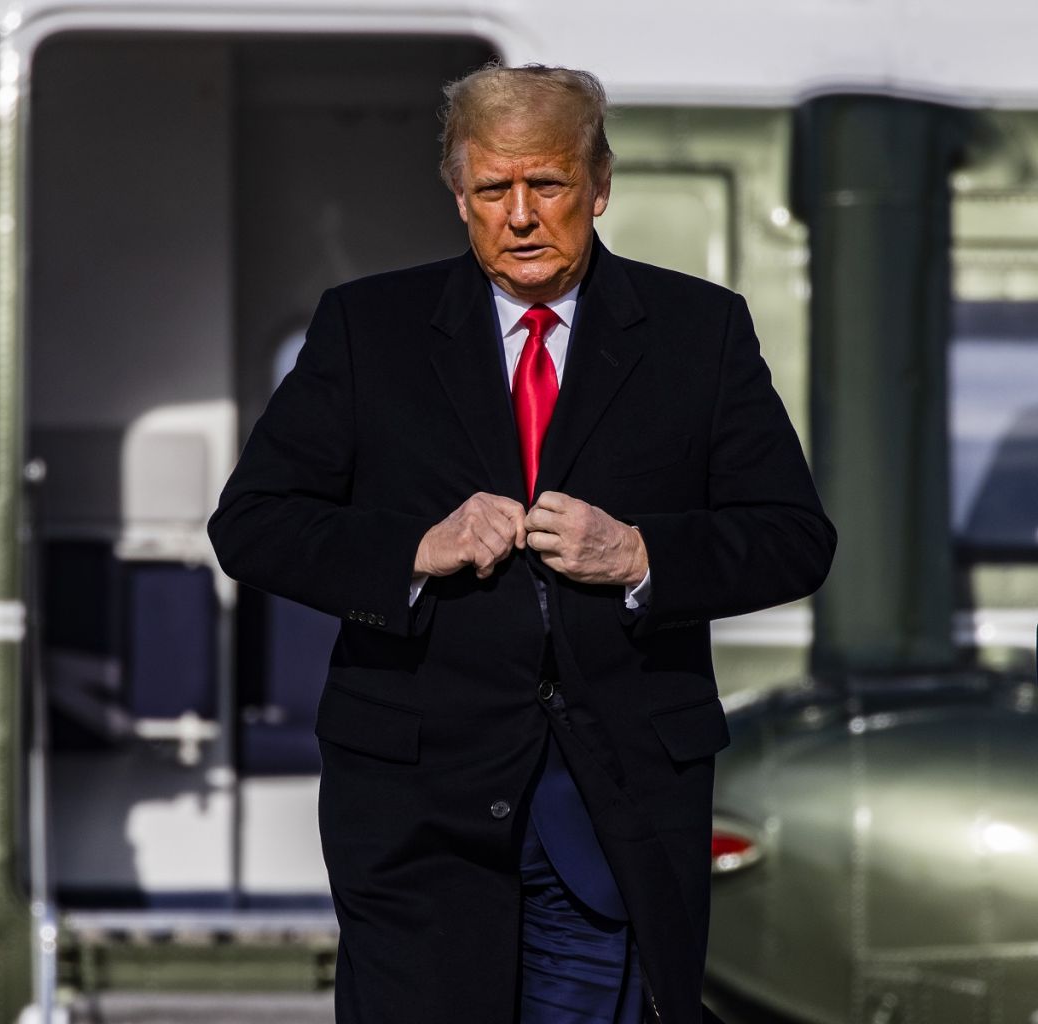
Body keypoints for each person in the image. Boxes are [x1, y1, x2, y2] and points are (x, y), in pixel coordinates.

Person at [208, 63, 835, 1024]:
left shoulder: (699, 331)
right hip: (416, 812)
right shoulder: (367, 329)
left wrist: (639, 556)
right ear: (459, 196)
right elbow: (252, 522)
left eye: (546, 184)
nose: (521, 216)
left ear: (598, 184)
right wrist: (415, 548)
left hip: (612, 807)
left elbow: (793, 538)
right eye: (493, 189)